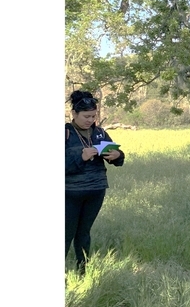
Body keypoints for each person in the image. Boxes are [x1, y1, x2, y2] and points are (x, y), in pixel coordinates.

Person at [65, 90, 125, 274]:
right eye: (86, 116)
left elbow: (116, 157)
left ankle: (82, 270)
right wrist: (80, 156)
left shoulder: (100, 133)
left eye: (93, 115)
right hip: (70, 192)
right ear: (74, 113)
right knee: (65, 234)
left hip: (96, 190)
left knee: (84, 233)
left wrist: (117, 156)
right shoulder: (65, 133)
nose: (90, 119)